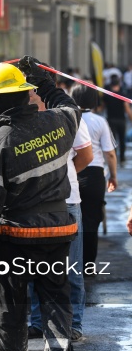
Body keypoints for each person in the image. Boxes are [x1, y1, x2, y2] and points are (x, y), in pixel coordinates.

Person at [0, 57, 83, 351]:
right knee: (55, 300)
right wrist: (45, 80)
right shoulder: (59, 123)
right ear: (25, 94)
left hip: (14, 236)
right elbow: (70, 104)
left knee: (11, 306)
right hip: (57, 231)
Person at [27, 82, 93, 343]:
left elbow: (86, 155)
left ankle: (74, 323)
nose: (29, 95)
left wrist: (59, 181)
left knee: (72, 269)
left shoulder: (68, 115)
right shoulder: (25, 119)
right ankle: (36, 321)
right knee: (33, 268)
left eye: (32, 89)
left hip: (68, 203)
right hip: (33, 205)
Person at [71, 83, 117, 271]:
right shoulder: (100, 121)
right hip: (95, 175)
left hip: (71, 171)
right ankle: (88, 266)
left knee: (70, 221)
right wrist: (113, 176)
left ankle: (70, 266)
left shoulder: (67, 119)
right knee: (91, 221)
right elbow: (110, 153)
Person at [102, 76, 132, 164]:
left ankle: (114, 157)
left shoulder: (107, 95)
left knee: (113, 140)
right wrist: (131, 119)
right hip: (121, 120)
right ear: (119, 84)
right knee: (122, 140)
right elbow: (127, 109)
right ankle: (122, 158)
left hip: (111, 120)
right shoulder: (122, 94)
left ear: (111, 85)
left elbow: (102, 107)